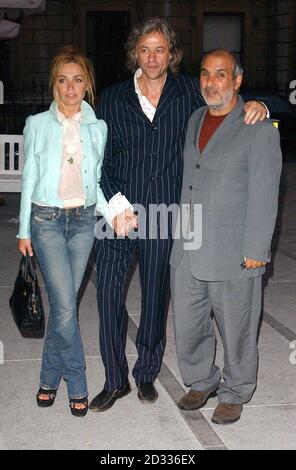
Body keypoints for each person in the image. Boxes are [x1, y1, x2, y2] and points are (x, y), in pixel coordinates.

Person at [89, 17, 268, 413]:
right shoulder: (113, 97)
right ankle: (114, 379)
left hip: (167, 213)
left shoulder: (189, 90)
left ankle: (147, 373)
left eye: (160, 49)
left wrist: (259, 104)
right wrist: (115, 206)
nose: (152, 57)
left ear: (171, 55)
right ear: (134, 52)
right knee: (107, 297)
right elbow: (96, 158)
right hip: (117, 210)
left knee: (155, 297)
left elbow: (228, 103)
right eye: (144, 49)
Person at [170, 49, 282, 424]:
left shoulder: (259, 129)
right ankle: (202, 380)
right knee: (189, 323)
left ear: (237, 81)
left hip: (234, 250)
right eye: (204, 74)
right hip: (188, 245)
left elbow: (265, 195)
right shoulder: (195, 118)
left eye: (221, 74)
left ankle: (235, 391)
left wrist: (256, 250)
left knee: (237, 329)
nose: (210, 82)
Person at [18, 46, 113, 417]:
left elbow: (97, 182)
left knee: (63, 308)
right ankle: (77, 381)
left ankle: (47, 378)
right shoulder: (37, 124)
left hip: (85, 221)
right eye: (62, 80)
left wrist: (113, 212)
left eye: (77, 80)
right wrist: (23, 229)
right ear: (53, 84)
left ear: (87, 84)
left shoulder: (98, 128)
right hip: (46, 222)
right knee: (65, 307)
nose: (70, 87)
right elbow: (29, 179)